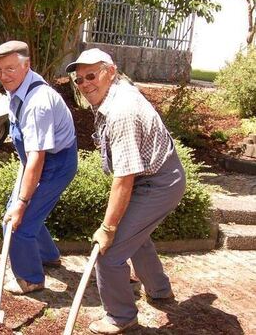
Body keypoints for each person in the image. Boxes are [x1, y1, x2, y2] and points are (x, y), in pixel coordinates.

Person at [66, 48, 186, 334]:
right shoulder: (113, 94)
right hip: (156, 177)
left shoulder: (122, 112)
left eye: (91, 75)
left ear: (111, 71)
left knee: (110, 252)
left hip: (159, 183)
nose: (84, 84)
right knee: (137, 238)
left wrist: (107, 229)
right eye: (79, 79)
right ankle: (159, 290)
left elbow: (124, 178)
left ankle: (120, 316)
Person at [0, 41, 78, 294]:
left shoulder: (38, 103)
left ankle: (30, 279)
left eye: (11, 69)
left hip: (55, 165)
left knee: (16, 223)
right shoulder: (19, 86)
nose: (4, 76)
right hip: (40, 159)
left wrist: (22, 202)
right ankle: (48, 256)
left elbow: (37, 158)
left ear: (27, 66)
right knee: (29, 214)